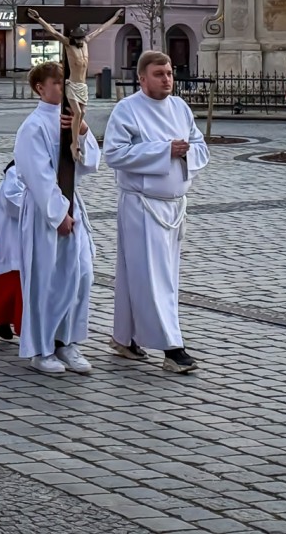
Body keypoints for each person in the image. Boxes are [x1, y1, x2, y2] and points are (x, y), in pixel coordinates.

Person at [104, 51, 209, 374]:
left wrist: (186, 152)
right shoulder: (127, 109)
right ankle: (172, 347)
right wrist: (164, 150)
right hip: (142, 205)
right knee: (152, 277)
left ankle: (124, 338)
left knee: (143, 275)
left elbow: (200, 145)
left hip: (173, 206)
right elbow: (114, 154)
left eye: (170, 73)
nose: (167, 79)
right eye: (159, 74)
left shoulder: (180, 107)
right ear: (142, 78)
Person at [13, 62, 101, 375]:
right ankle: (42, 348)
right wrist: (58, 213)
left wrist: (82, 130)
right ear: (40, 88)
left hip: (72, 203)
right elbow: (37, 174)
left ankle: (68, 341)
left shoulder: (71, 119)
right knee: (46, 279)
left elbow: (89, 164)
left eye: (67, 83)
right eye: (58, 83)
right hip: (45, 210)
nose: (64, 89)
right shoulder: (33, 126)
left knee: (81, 274)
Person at [25, 10, 120, 164]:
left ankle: (77, 142)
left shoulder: (86, 42)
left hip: (83, 85)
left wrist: (115, 18)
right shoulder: (69, 45)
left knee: (82, 113)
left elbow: (101, 29)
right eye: (78, 38)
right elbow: (53, 32)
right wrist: (39, 18)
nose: (80, 40)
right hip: (74, 84)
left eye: (81, 38)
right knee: (77, 112)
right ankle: (74, 144)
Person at [0, 160, 23, 342]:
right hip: (14, 240)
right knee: (11, 284)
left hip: (31, 238)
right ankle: (2, 319)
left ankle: (21, 324)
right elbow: (13, 202)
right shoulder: (15, 172)